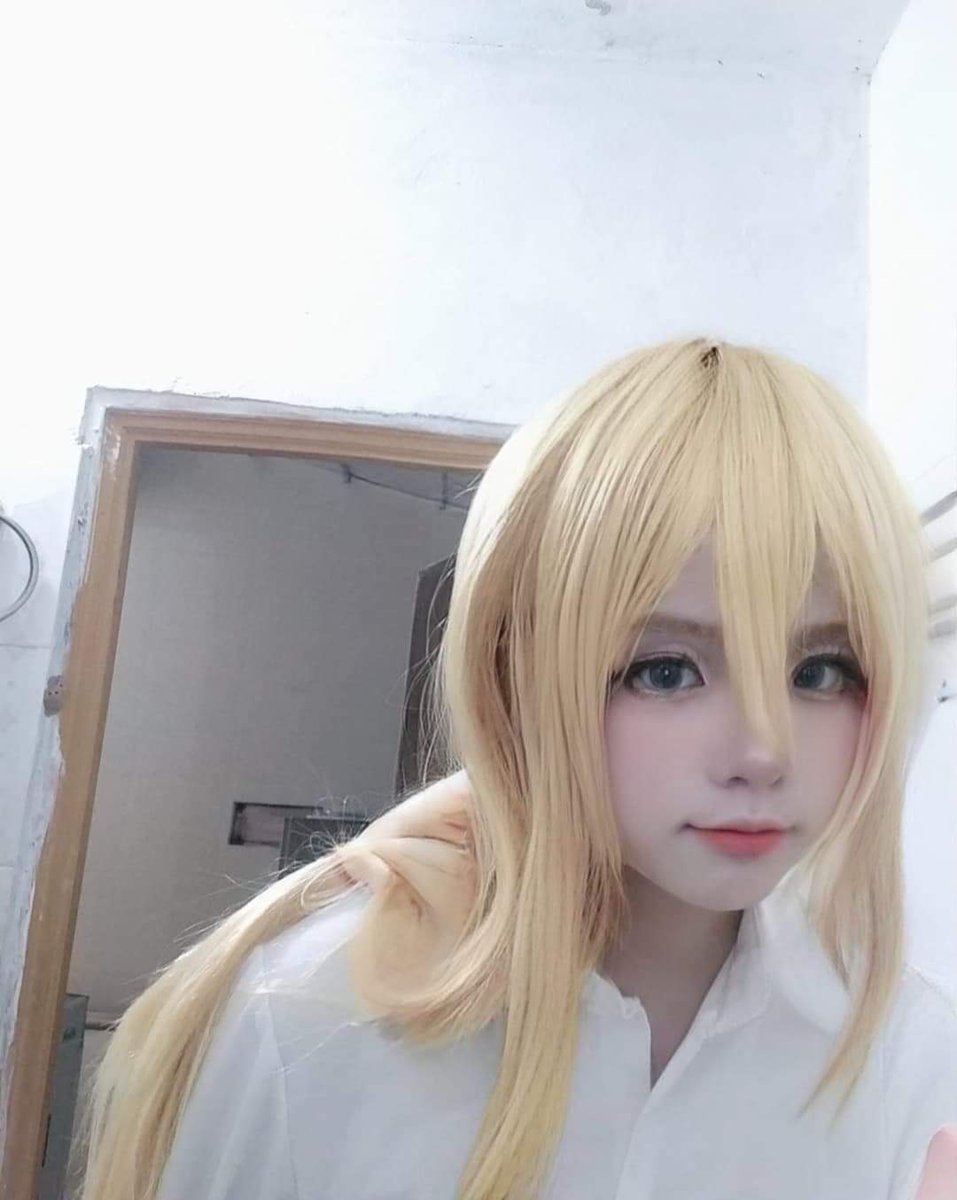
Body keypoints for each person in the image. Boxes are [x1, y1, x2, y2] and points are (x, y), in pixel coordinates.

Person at [75, 338, 957, 1200]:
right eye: (664, 670)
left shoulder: (906, 1058)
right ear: (514, 672)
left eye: (820, 672)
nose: (762, 754)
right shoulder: (311, 1021)